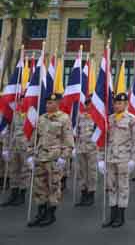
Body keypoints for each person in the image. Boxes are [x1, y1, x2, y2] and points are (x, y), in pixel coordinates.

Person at [27, 93, 74, 227]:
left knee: (53, 186)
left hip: (54, 158)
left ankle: (50, 213)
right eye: (47, 103)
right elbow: (34, 138)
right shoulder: (42, 118)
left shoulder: (64, 118)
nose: (48, 105)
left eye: (51, 103)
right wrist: (30, 154)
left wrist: (64, 157)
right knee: (39, 186)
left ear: (58, 104)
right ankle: (40, 212)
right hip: (40, 156)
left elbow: (68, 140)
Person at [99, 92, 135, 228]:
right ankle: (112, 216)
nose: (117, 105)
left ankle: (120, 216)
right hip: (111, 158)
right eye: (116, 103)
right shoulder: (109, 119)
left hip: (124, 158)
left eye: (120, 103)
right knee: (111, 187)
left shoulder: (132, 119)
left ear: (126, 104)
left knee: (123, 187)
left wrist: (134, 160)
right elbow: (103, 140)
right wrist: (100, 158)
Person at [1, 97, 29, 207]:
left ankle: (22, 194)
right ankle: (13, 194)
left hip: (25, 147)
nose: (21, 102)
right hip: (13, 146)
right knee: (13, 171)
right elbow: (8, 131)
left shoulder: (31, 114)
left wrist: (32, 150)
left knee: (24, 171)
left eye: (23, 100)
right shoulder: (13, 113)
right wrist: (5, 148)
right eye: (20, 99)